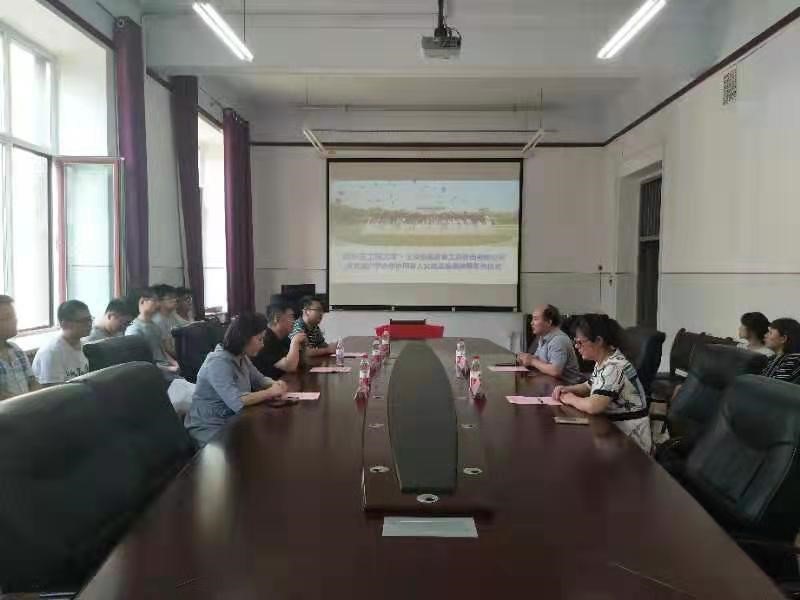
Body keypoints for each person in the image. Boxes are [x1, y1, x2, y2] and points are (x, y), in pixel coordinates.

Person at [552, 314, 652, 453]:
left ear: (598, 340)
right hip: (615, 430)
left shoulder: (614, 367)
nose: (576, 346)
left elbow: (594, 406)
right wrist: (568, 389)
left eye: (580, 342)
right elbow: (589, 385)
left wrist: (569, 398)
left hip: (632, 443)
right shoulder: (604, 361)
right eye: (575, 341)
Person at [185, 313, 288, 445]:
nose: (262, 344)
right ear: (244, 338)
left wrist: (276, 384)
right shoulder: (217, 362)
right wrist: (271, 392)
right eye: (260, 339)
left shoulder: (242, 356)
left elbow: (260, 380)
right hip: (210, 427)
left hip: (232, 420)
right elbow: (237, 401)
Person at [516, 304, 583, 384]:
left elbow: (555, 371)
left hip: (567, 386)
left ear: (549, 322)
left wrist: (532, 361)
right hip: (550, 383)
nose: (531, 323)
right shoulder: (543, 337)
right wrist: (526, 358)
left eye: (535, 319)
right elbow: (539, 360)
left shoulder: (558, 340)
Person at [32, 300, 92, 386]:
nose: (89, 324)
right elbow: (53, 391)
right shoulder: (52, 352)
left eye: (90, 319)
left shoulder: (86, 345)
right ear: (65, 324)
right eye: (83, 321)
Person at [125, 288, 180, 378]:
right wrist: (169, 369)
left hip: (168, 370)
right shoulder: (134, 329)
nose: (158, 304)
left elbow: (161, 350)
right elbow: (141, 362)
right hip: (153, 374)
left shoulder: (154, 325)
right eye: (154, 301)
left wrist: (174, 363)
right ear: (142, 302)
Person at [252, 300, 307, 379]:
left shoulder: (284, 338)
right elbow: (290, 367)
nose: (294, 321)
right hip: (267, 384)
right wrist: (295, 342)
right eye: (291, 316)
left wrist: (302, 345)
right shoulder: (266, 339)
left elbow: (300, 363)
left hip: (282, 381)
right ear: (276, 318)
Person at [0, 295, 39, 399]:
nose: (15, 320)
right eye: (8, 317)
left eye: (14, 316)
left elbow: (33, 381)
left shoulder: (16, 350)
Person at [761, 318, 800, 384]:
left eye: (770, 333)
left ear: (783, 339)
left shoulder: (794, 360)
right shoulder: (771, 358)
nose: (765, 335)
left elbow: (775, 387)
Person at [152, 284, 185, 357]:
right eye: (170, 298)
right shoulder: (158, 321)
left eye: (175, 297)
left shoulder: (172, 315)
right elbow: (168, 349)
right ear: (158, 301)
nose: (175, 300)